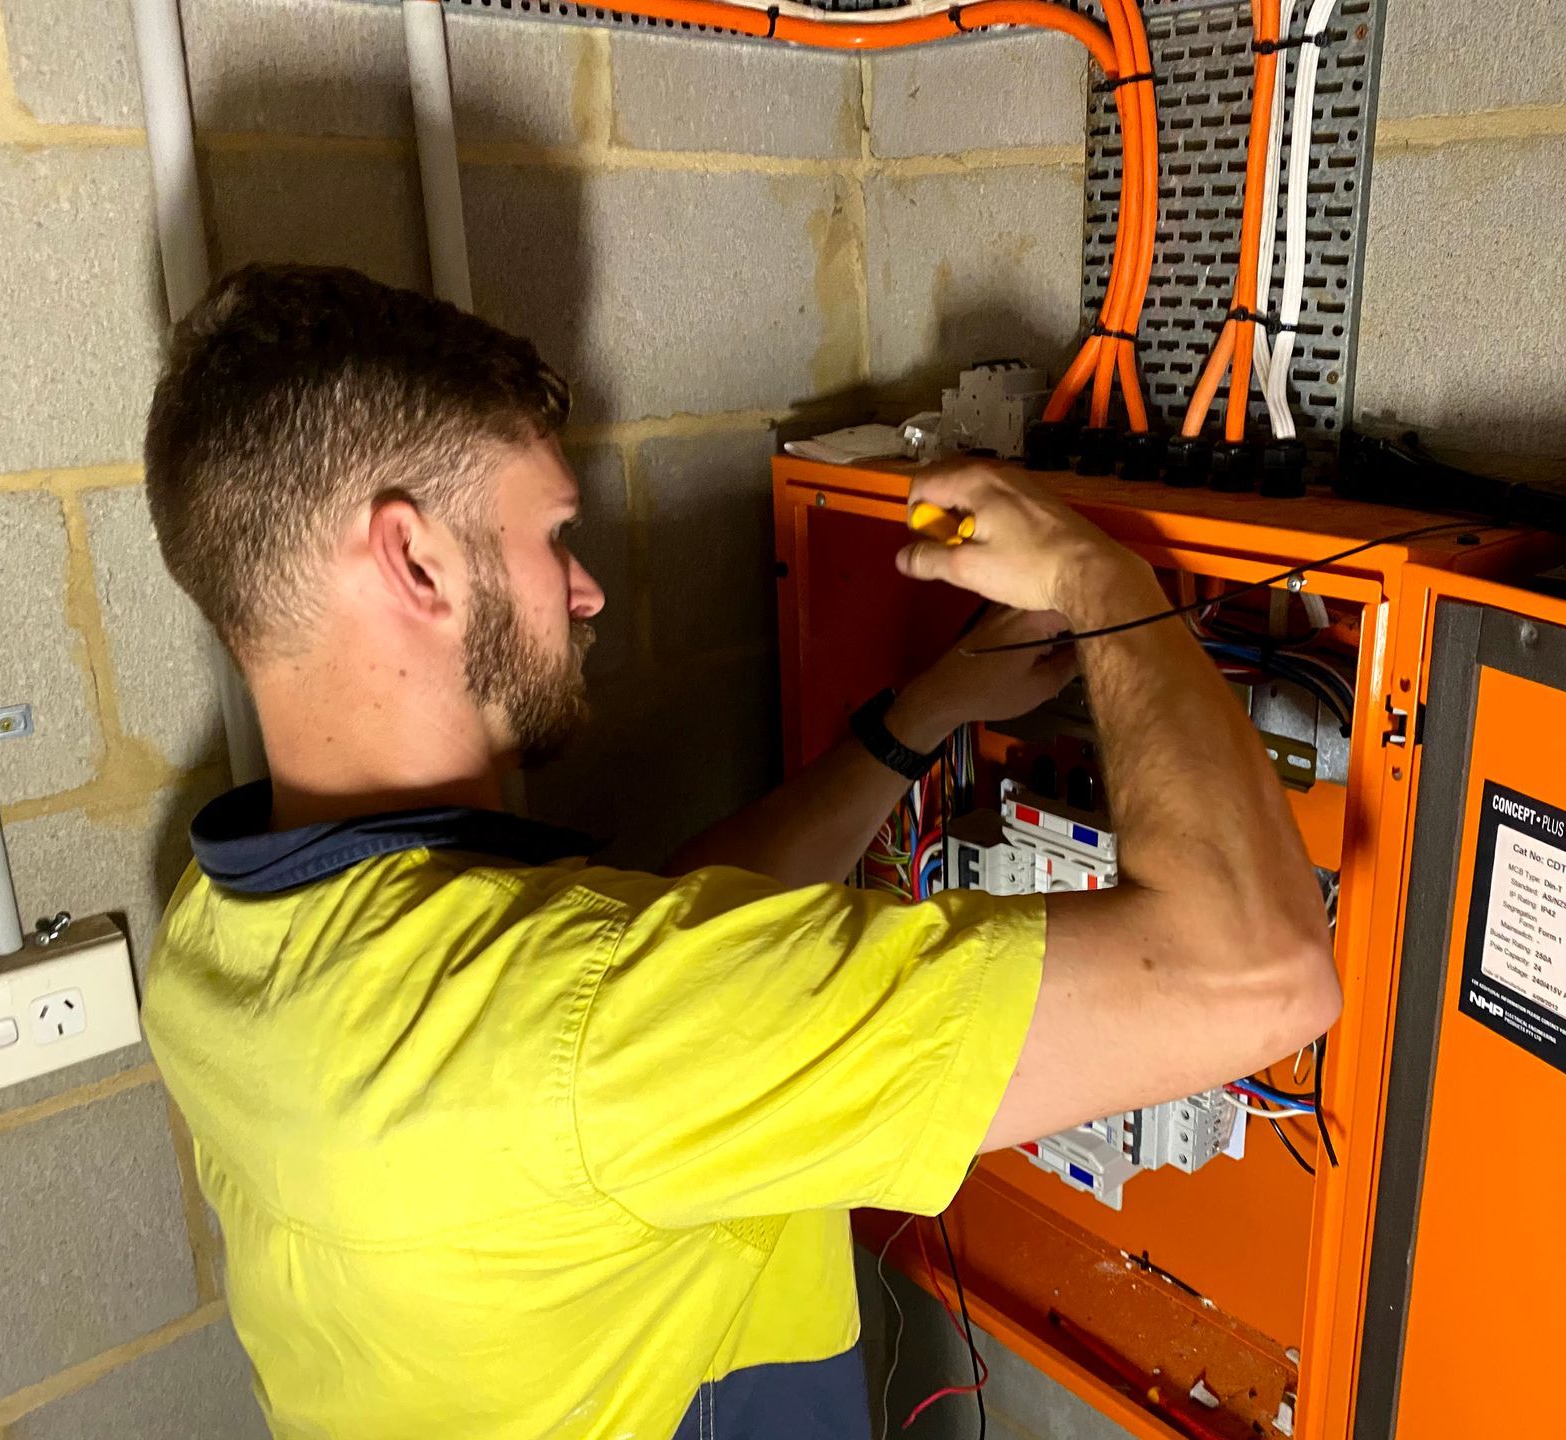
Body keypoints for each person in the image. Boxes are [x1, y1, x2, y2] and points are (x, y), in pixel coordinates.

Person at [140, 263, 1338, 1440]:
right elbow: (1263, 969)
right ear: (413, 561)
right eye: (554, 534)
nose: (589, 591)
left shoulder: (215, 933)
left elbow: (635, 963)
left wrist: (919, 715)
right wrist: (1104, 583)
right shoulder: (585, 1029)